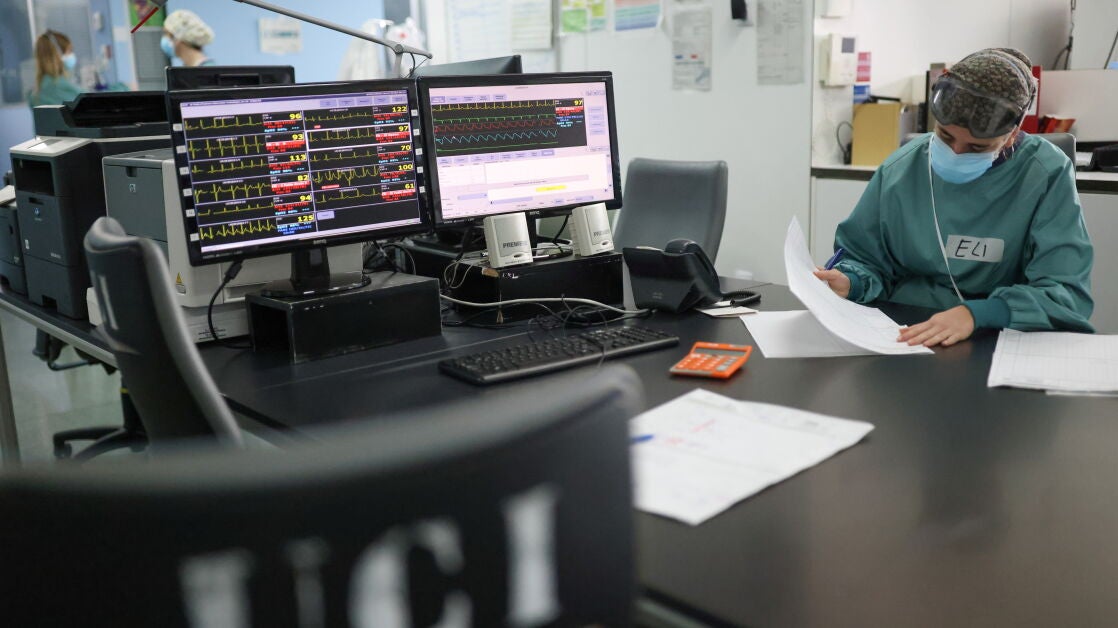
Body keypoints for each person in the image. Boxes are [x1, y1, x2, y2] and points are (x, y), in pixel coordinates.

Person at [814, 47, 1093, 348]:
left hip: (998, 335)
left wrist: (979, 314)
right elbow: (865, 257)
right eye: (945, 137)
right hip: (904, 330)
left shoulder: (1044, 174)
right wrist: (851, 281)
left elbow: (1066, 293)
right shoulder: (903, 168)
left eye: (976, 147)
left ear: (1012, 135)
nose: (956, 152)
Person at [28, 30, 82, 107]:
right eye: (69, 51)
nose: (71, 55)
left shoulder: (36, 92)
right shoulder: (59, 87)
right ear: (58, 54)